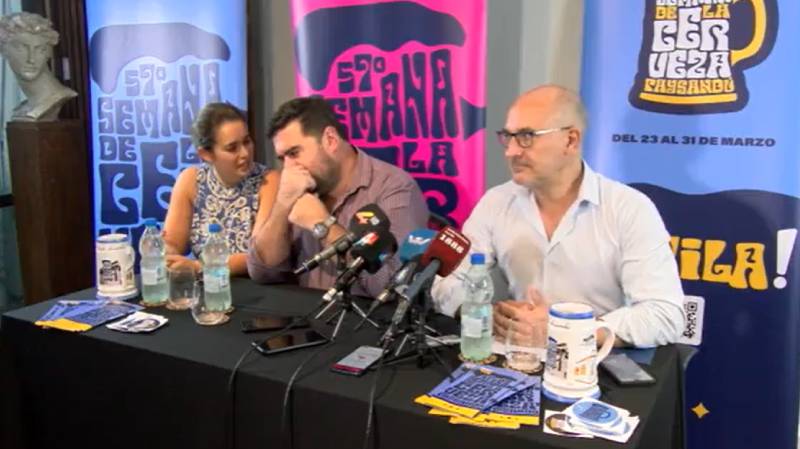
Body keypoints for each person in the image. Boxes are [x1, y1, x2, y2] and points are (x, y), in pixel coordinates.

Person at [431, 85, 685, 348]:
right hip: (517, 356)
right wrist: (483, 313)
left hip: (594, 361)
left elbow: (665, 316)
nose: (511, 151)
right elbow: (446, 285)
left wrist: (567, 330)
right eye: (508, 136)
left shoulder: (629, 208)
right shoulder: (496, 202)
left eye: (527, 136)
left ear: (570, 140)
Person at [248, 96, 429, 297]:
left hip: (363, 315)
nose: (289, 168)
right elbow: (262, 272)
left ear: (330, 140)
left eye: (294, 153)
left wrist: (323, 225)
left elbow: (391, 286)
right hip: (305, 312)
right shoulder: (298, 186)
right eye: (283, 158)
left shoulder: (394, 187)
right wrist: (282, 205)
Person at [163, 102, 279, 276]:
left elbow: (259, 255)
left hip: (255, 286)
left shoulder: (269, 182)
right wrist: (165, 253)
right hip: (207, 286)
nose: (245, 153)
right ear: (206, 154)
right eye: (232, 148)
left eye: (247, 141)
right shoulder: (190, 180)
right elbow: (173, 242)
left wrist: (200, 267)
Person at [0, 12, 77, 121]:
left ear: (48, 53)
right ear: (3, 50)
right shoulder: (25, 108)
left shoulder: (57, 98)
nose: (31, 59)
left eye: (40, 49)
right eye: (21, 49)